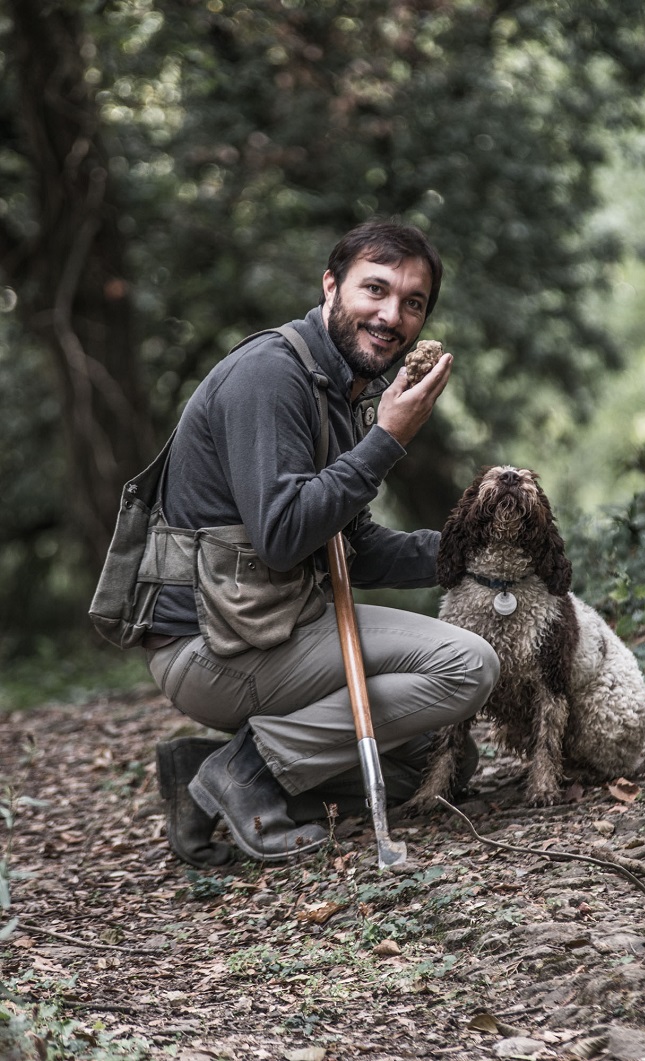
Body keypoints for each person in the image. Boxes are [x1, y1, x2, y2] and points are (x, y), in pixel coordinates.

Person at [147, 219, 500, 866]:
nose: (392, 315)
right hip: (213, 645)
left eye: (413, 302)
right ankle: (248, 770)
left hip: (277, 628)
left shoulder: (335, 390)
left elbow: (351, 548)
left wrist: (469, 552)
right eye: (375, 289)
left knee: (434, 767)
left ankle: (205, 770)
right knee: (467, 666)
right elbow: (283, 536)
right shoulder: (270, 377)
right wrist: (387, 439)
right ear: (331, 285)